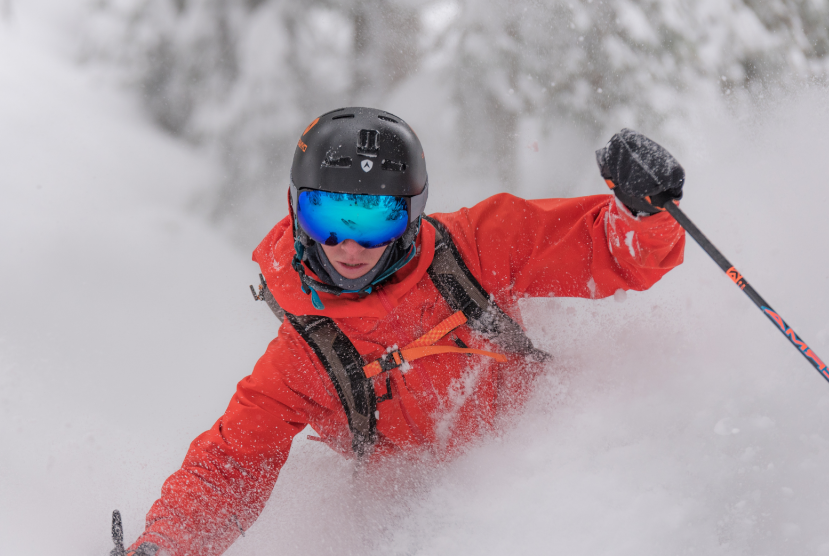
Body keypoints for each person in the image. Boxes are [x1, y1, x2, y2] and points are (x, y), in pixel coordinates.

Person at [120, 107, 686, 556]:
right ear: (297, 213)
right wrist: (165, 547)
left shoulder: (477, 248)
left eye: (373, 220)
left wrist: (646, 212)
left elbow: (609, 251)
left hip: (553, 464)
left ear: (410, 216)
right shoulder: (306, 357)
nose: (348, 245)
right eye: (327, 217)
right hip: (427, 517)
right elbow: (230, 465)